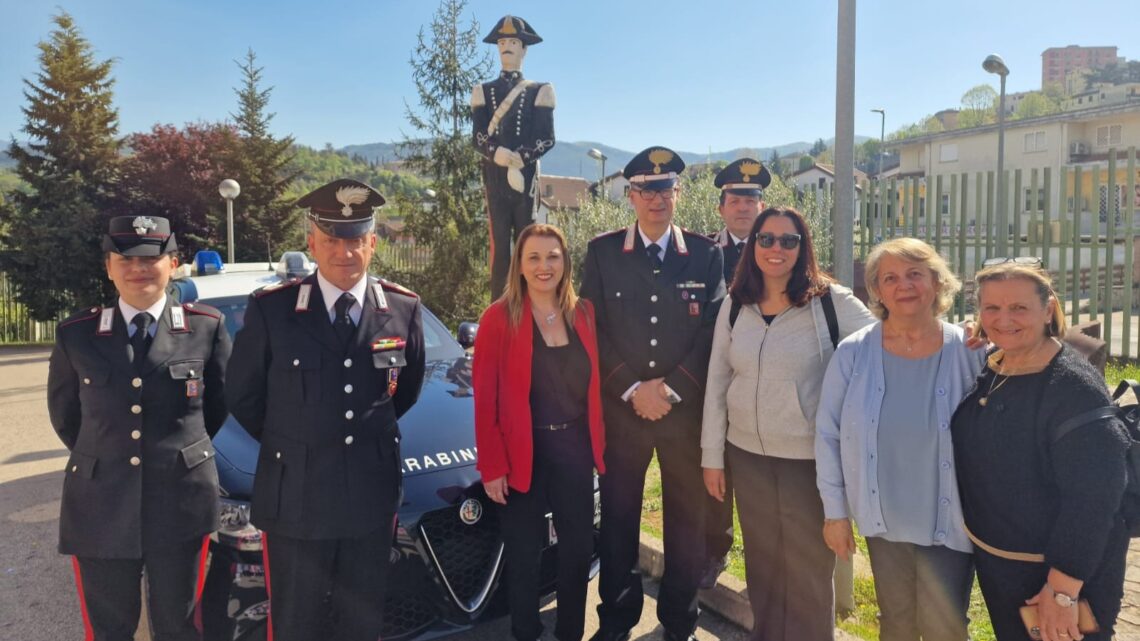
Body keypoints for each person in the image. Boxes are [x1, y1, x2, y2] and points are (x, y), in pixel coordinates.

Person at [225, 179, 426, 641]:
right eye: (332, 239)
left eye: (356, 240)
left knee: (363, 622)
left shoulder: (401, 309)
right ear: (312, 242)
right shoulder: (273, 311)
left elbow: (405, 390)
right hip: (297, 497)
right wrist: (298, 441)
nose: (345, 252)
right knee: (298, 624)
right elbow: (244, 396)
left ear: (373, 244)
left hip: (369, 499)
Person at [47, 215, 231, 641]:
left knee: (181, 627)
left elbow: (220, 408)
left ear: (173, 263)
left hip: (181, 503)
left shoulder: (206, 328)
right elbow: (67, 418)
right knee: (108, 630)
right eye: (125, 258)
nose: (138, 269)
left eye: (151, 258)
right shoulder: (77, 334)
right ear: (108, 266)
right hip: (100, 505)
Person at [701, 206, 874, 641]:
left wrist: (961, 339)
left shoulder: (831, 302)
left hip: (805, 462)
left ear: (803, 248)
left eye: (788, 240)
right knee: (762, 566)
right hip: (747, 456)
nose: (776, 248)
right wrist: (711, 456)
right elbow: (717, 379)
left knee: (808, 574)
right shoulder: (736, 306)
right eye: (767, 239)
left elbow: (889, 339)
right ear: (753, 245)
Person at [581, 146, 725, 641]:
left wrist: (669, 389)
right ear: (630, 196)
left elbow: (712, 332)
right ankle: (617, 618)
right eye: (646, 189)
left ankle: (679, 622)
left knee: (686, 524)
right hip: (623, 413)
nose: (656, 198)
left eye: (665, 189)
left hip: (682, 416)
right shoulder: (602, 253)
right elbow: (592, 329)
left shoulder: (707, 256)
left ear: (678, 193)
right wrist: (629, 387)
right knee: (619, 518)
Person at [815, 238, 984, 641]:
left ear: (937, 282)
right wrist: (835, 513)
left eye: (914, 274)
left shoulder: (972, 349)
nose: (903, 285)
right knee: (896, 621)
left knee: (946, 625)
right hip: (883, 519)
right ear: (876, 290)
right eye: (890, 278)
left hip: (950, 519)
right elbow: (827, 433)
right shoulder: (854, 353)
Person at [952, 259, 1129, 641]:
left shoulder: (1071, 388)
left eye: (1019, 308)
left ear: (1047, 309)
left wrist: (1062, 590)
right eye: (992, 308)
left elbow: (1095, 497)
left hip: (1056, 579)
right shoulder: (998, 364)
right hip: (1002, 566)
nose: (1004, 319)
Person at [473, 223, 606, 641]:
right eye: (534, 257)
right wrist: (492, 465)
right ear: (520, 265)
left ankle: (570, 634)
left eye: (552, 256)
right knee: (525, 556)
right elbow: (485, 400)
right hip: (521, 453)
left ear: (565, 262)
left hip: (574, 449)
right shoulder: (498, 318)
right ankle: (525, 632)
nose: (544, 266)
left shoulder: (584, 313)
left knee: (577, 552)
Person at [700, 158, 771, 587]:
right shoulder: (704, 252)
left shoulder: (779, 249)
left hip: (762, 381)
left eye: (752, 199)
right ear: (721, 207)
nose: (744, 206)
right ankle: (715, 550)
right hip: (714, 379)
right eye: (736, 199)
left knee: (761, 480)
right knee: (712, 470)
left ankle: (764, 565)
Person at [471, 14, 556, 300]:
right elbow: (479, 137)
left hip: (524, 180)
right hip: (495, 180)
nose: (507, 46)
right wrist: (499, 154)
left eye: (513, 42)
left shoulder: (539, 91)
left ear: (524, 49)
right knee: (499, 252)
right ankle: (498, 312)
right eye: (503, 42)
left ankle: (530, 307)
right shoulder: (483, 91)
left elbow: (546, 138)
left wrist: (520, 157)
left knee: (528, 247)